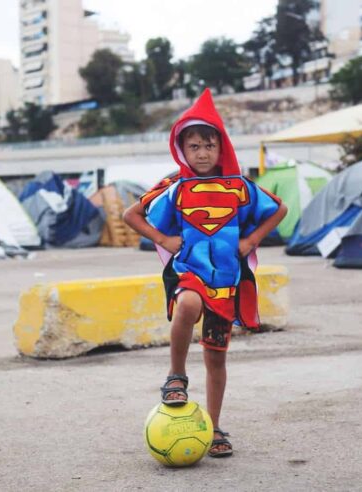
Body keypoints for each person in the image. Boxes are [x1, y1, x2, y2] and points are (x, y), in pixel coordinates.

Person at [124, 89, 287, 458]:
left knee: (216, 359)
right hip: (190, 275)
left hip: (225, 286)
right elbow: (130, 215)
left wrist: (252, 240)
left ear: (221, 147)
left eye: (209, 145)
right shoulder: (175, 189)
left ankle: (212, 428)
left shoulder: (240, 188)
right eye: (194, 146)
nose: (201, 153)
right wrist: (163, 237)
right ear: (182, 149)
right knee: (187, 305)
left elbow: (279, 209)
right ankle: (175, 377)